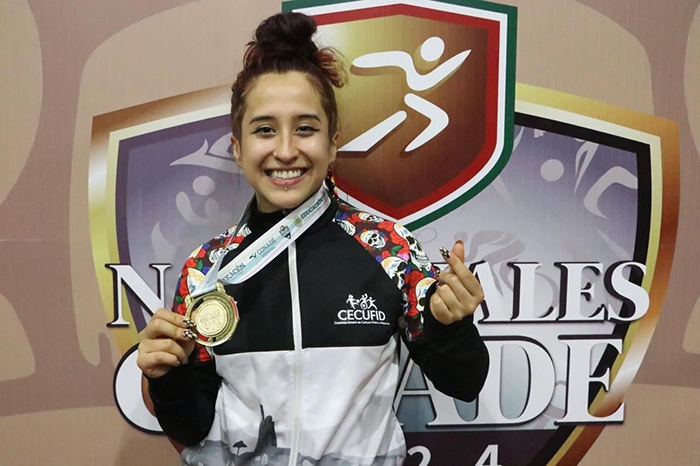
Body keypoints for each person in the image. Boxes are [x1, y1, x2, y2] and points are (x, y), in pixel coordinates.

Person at [137, 12, 488, 466]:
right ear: (238, 148)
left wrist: (452, 329)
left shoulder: (388, 248)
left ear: (332, 143)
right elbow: (192, 428)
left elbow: (464, 384)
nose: (286, 151)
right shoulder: (207, 269)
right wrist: (168, 377)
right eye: (265, 129)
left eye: (305, 128)